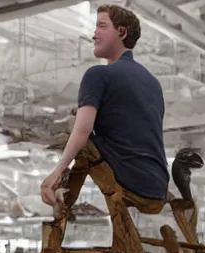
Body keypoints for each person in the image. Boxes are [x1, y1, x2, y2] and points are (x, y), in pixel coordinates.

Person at [40, 5, 168, 207]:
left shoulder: (98, 74)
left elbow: (83, 130)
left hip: (130, 180)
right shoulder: (153, 82)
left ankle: (64, 204)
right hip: (159, 186)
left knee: (80, 139)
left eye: (101, 26)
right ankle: (67, 201)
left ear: (122, 32)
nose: (94, 34)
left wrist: (57, 171)